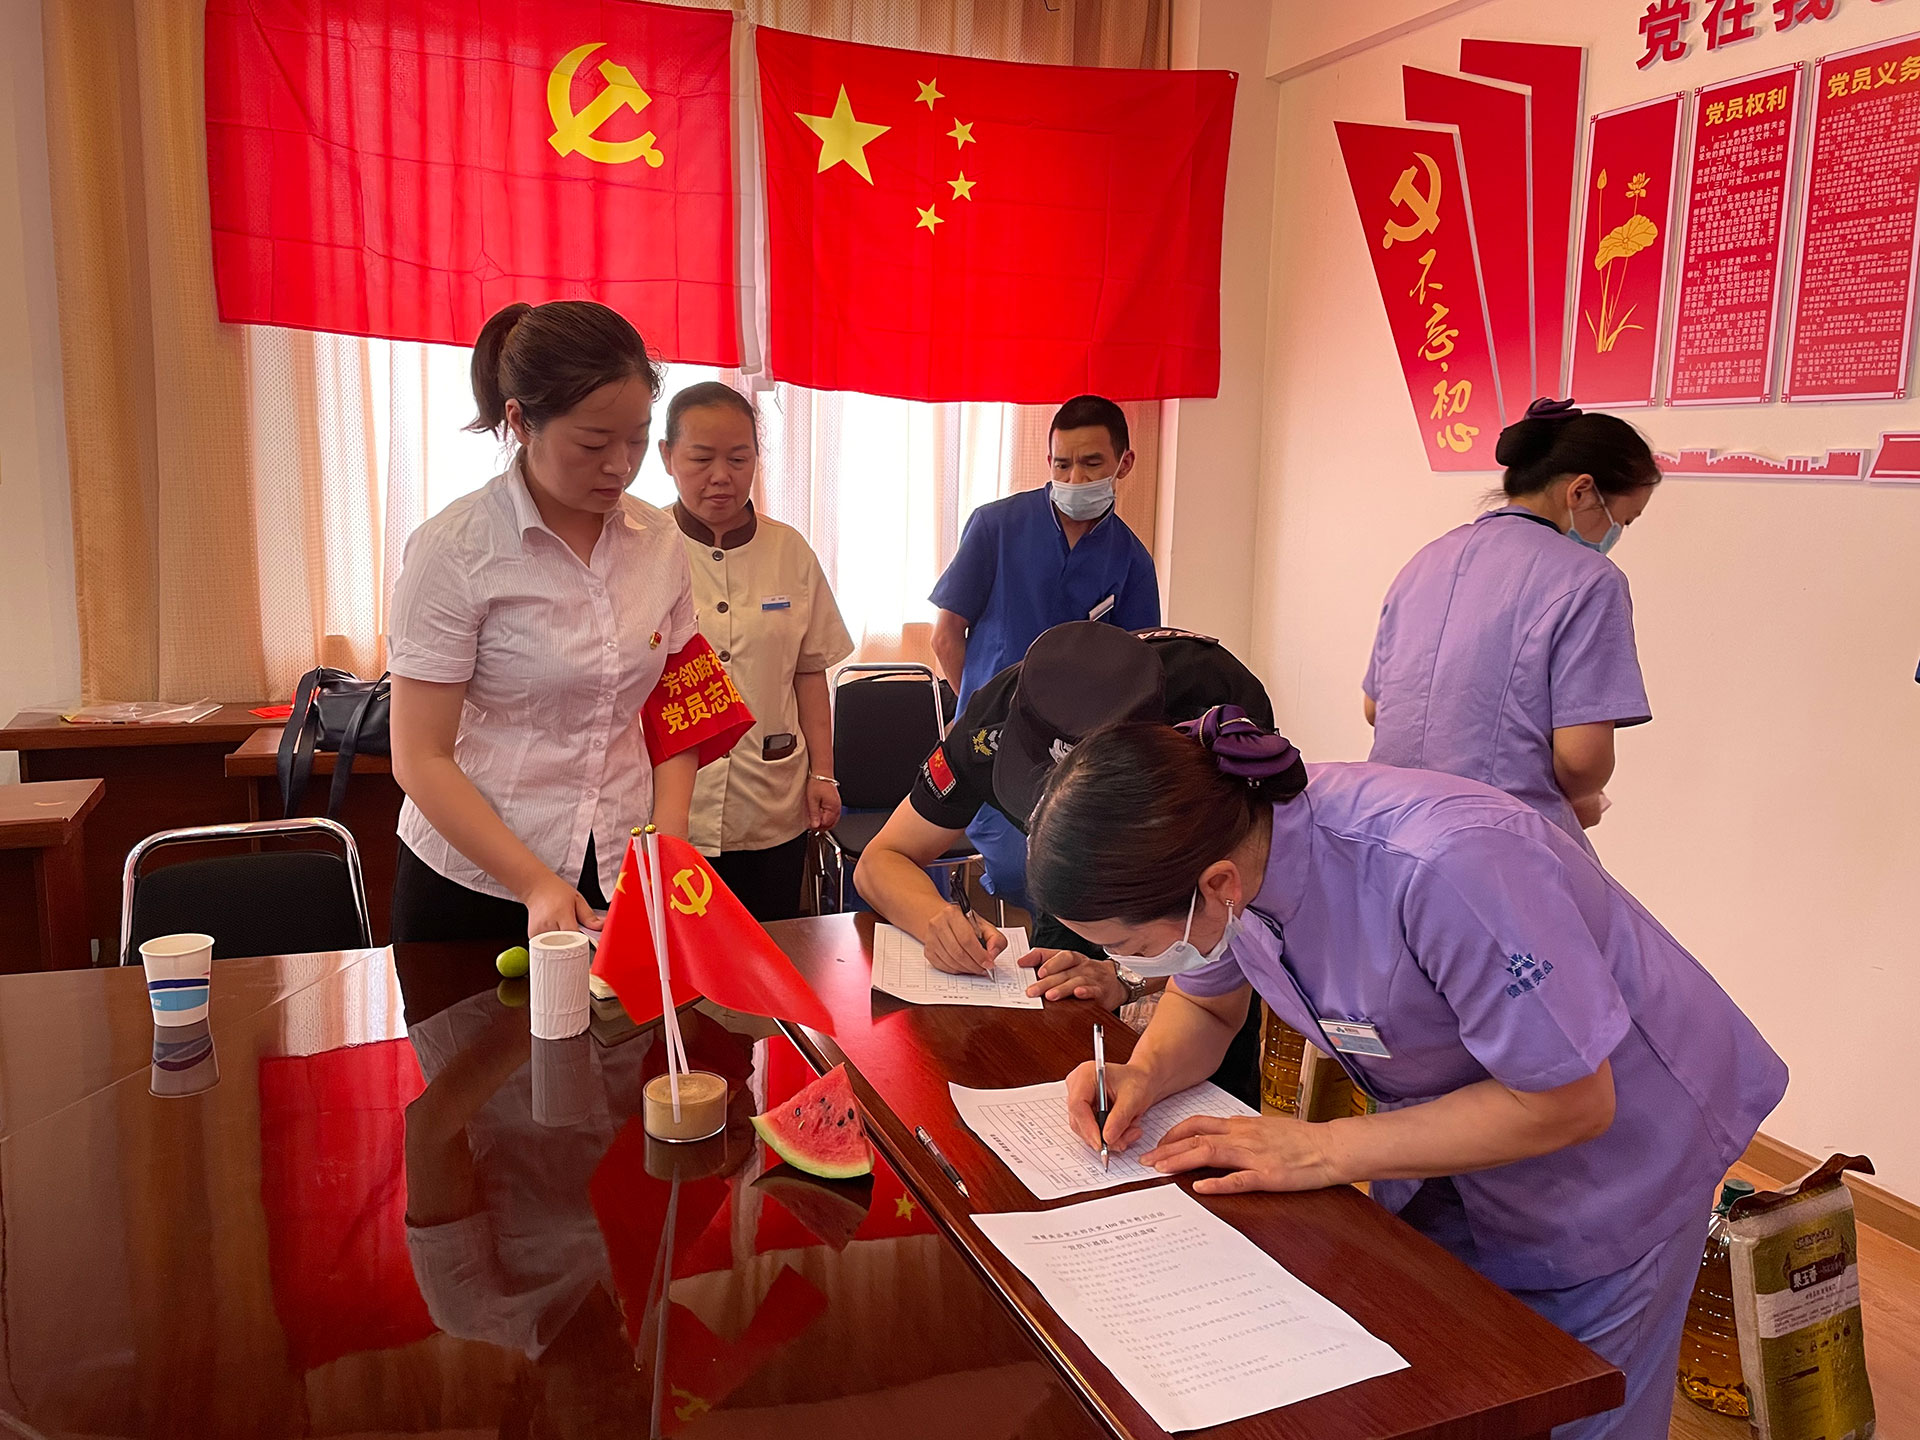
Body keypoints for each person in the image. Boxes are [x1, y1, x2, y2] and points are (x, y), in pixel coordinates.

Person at [1028, 708, 1787, 1440]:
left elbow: (1569, 1103)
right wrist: (1144, 1072)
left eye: (1132, 945)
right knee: (1441, 1374)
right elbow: (1208, 1001)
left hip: (1615, 1155)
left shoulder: (1444, 866)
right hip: (1443, 1129)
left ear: (1217, 883)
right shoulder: (1229, 861)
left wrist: (1320, 1148)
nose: (1129, 965)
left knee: (1571, 1399)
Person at [388, 300, 748, 946]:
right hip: (477, 880)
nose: (620, 465)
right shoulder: (456, 549)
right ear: (520, 421)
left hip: (616, 866)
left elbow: (677, 699)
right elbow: (420, 757)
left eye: (636, 439)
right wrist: (534, 884)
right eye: (592, 443)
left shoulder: (658, 541)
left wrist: (668, 845)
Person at [853, 621, 1273, 1103]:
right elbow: (881, 859)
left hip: (1191, 910)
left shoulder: (1212, 709)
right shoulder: (995, 721)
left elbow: (1234, 906)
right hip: (1071, 904)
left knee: (1214, 1101)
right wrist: (934, 919)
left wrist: (1130, 975)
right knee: (1048, 1052)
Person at [1364, 397, 1661, 841]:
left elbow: (1374, 708)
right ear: (1581, 491)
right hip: (1493, 839)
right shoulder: (1590, 579)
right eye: (1623, 520)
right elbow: (1582, 761)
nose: (1615, 534)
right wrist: (1582, 798)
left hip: (1386, 827)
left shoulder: (1426, 560)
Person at [928, 394, 1161, 907]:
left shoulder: (1132, 561)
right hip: (993, 740)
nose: (1075, 478)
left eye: (1092, 463)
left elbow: (1138, 671)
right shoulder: (996, 527)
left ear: (1124, 463)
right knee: (1023, 872)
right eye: (1062, 464)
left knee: (1080, 880)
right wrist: (982, 708)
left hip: (1075, 755)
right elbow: (946, 636)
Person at [660, 381, 854, 920]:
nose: (721, 475)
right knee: (675, 950)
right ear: (667, 456)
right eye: (701, 458)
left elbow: (809, 672)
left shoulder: (789, 549)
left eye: (738, 458)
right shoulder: (641, 546)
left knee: (769, 942)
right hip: (668, 801)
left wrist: (823, 773)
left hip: (769, 798)